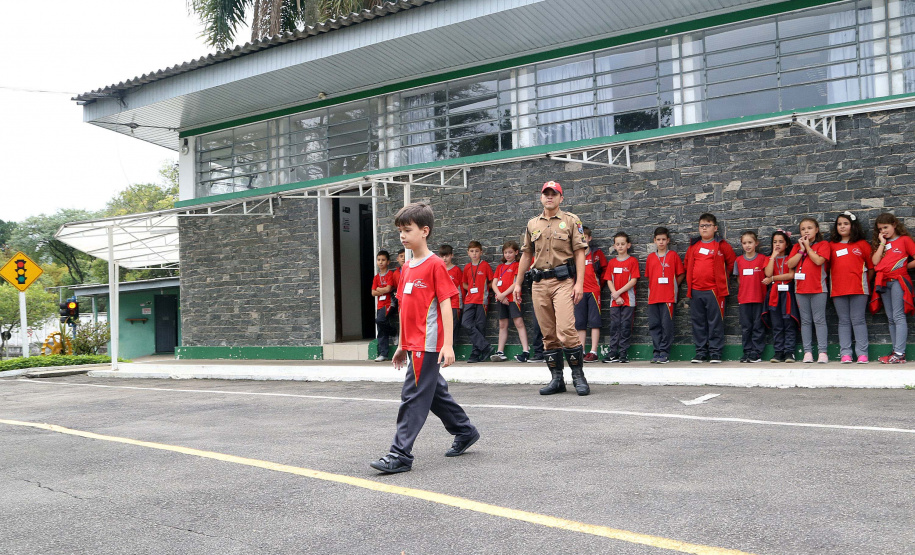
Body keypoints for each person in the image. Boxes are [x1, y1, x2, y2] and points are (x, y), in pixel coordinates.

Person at [370, 202, 479, 474]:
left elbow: (446, 304)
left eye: (408, 230)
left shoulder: (435, 265)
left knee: (413, 395)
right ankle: (465, 431)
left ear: (425, 231)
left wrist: (448, 344)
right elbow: (407, 311)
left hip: (429, 344)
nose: (403, 236)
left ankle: (400, 454)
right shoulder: (406, 268)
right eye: (400, 231)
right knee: (433, 393)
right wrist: (400, 345)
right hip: (413, 343)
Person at [514, 180, 589, 395]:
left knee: (565, 328)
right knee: (548, 334)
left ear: (560, 198)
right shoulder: (532, 224)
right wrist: (518, 283)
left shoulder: (571, 220)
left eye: (554, 194)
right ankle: (557, 380)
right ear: (541, 197)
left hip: (563, 281)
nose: (549, 197)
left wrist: (580, 283)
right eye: (546, 193)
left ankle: (578, 377)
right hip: (538, 284)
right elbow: (526, 254)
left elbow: (580, 252)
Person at [685, 213, 736, 363]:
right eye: (702, 226)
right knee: (698, 322)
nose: (704, 228)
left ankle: (715, 352)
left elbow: (732, 264)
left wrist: (722, 278)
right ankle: (700, 352)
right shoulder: (694, 246)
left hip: (715, 291)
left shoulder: (722, 245)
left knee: (716, 322)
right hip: (695, 290)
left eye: (707, 225)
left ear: (715, 228)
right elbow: (687, 263)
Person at [870, 212, 915, 364]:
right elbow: (875, 262)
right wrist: (882, 243)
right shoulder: (881, 242)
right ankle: (896, 351)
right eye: (880, 229)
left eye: (886, 227)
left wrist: (903, 267)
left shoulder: (904, 240)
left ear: (894, 225)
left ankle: (900, 352)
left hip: (898, 281)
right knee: (890, 318)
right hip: (883, 282)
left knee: (898, 316)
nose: (883, 231)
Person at [829, 212, 873, 364]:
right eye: (839, 224)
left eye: (845, 223)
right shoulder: (831, 246)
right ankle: (845, 353)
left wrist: (865, 282)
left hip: (859, 289)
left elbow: (871, 267)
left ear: (853, 226)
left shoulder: (862, 245)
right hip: (838, 289)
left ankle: (862, 354)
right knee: (843, 321)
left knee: (858, 320)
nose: (842, 226)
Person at [787, 217, 831, 363]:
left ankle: (823, 352)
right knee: (805, 321)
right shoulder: (796, 247)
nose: (806, 231)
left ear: (817, 230)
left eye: (809, 228)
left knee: (819, 320)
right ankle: (807, 352)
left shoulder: (823, 244)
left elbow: (818, 261)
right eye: (803, 229)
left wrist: (808, 247)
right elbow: (790, 264)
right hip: (800, 289)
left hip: (818, 288)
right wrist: (801, 249)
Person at [643, 227, 684, 364]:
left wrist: (672, 286)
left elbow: (680, 274)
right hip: (653, 297)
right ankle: (656, 351)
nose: (661, 242)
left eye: (663, 239)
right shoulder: (650, 258)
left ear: (668, 240)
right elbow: (649, 277)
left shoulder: (673, 256)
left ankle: (664, 352)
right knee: (654, 325)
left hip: (668, 297)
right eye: (658, 239)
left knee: (667, 325)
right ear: (654, 240)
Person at [601, 232, 639, 363]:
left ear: (628, 245)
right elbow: (608, 280)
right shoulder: (612, 262)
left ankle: (623, 353)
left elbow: (633, 280)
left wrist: (619, 293)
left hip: (629, 300)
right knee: (614, 326)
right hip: (615, 301)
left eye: (623, 244)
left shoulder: (632, 261)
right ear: (614, 246)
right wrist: (615, 295)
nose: (620, 246)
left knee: (626, 326)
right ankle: (613, 352)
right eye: (618, 244)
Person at [491, 241, 530, 362]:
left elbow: (516, 283)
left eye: (510, 252)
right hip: (501, 299)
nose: (508, 255)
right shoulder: (500, 267)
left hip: (512, 298)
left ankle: (525, 351)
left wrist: (503, 295)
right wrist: (499, 295)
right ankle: (500, 351)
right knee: (502, 325)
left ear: (516, 252)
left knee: (519, 323)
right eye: (506, 252)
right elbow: (494, 283)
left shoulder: (517, 265)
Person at [762, 230, 798, 363]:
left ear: (787, 243)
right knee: (777, 323)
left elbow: (790, 275)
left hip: (787, 293)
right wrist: (773, 256)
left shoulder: (790, 258)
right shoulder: (769, 258)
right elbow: (768, 272)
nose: (777, 244)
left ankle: (789, 352)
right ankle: (778, 352)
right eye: (775, 242)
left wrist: (773, 278)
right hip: (774, 293)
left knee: (788, 322)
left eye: (781, 242)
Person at [733, 231, 768, 363]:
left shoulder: (763, 259)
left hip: (759, 298)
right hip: (744, 299)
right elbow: (739, 279)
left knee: (758, 326)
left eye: (750, 242)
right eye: (744, 243)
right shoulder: (739, 260)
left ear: (756, 243)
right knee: (746, 326)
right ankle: (747, 351)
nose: (747, 245)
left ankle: (756, 353)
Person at [576, 226, 607, 362]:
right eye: (580, 238)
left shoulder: (596, 254)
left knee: (594, 322)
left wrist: (600, 285)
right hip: (579, 292)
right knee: (580, 323)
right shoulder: (575, 255)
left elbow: (605, 270)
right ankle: (581, 350)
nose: (583, 240)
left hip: (594, 292)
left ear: (590, 238)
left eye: (585, 238)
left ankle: (593, 351)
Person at [462, 241, 494, 363]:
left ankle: (475, 353)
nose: (474, 253)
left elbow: (491, 281)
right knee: (466, 323)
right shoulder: (466, 267)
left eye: (476, 251)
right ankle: (485, 346)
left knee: (480, 327)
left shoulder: (485, 265)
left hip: (482, 300)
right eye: (472, 251)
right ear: (468, 253)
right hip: (469, 300)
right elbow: (464, 284)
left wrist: (484, 288)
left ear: (481, 252)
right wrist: (471, 289)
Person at [371, 250, 399, 362]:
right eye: (379, 260)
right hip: (380, 304)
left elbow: (388, 289)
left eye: (383, 260)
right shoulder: (376, 277)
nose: (380, 262)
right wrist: (381, 290)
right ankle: (384, 353)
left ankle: (393, 332)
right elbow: (373, 293)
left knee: (380, 320)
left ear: (388, 262)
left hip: (389, 303)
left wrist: (379, 289)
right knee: (380, 327)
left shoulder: (390, 274)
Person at [440, 244, 464, 351]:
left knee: (452, 328)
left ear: (452, 256)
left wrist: (460, 304)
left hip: (454, 304)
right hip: (440, 305)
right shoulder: (438, 270)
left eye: (447, 256)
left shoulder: (457, 270)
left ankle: (449, 350)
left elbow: (461, 288)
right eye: (442, 256)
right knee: (440, 328)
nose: (444, 258)